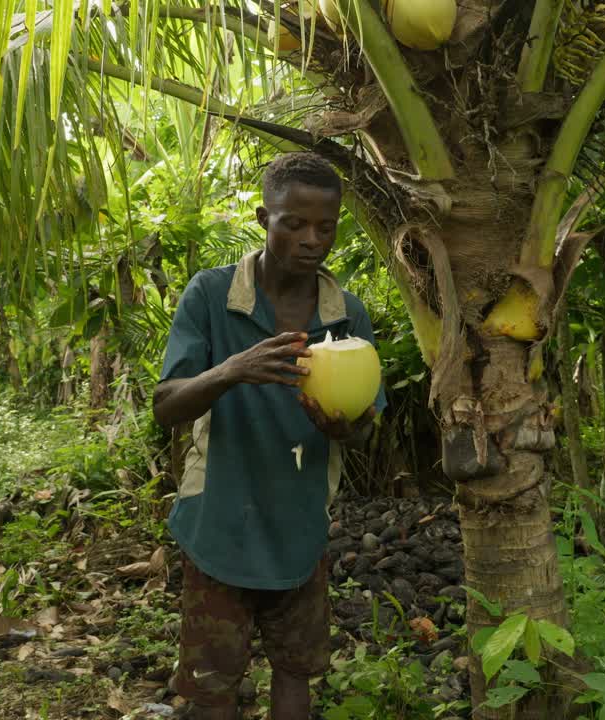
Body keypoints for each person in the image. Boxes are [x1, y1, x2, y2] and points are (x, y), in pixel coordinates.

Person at [152, 152, 387, 720]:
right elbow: (166, 406)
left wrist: (347, 427)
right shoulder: (212, 296)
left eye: (326, 227)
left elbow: (365, 426)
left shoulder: (346, 315)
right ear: (264, 218)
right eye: (294, 224)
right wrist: (232, 370)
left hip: (299, 523)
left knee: (295, 670)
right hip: (219, 522)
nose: (312, 240)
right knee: (212, 685)